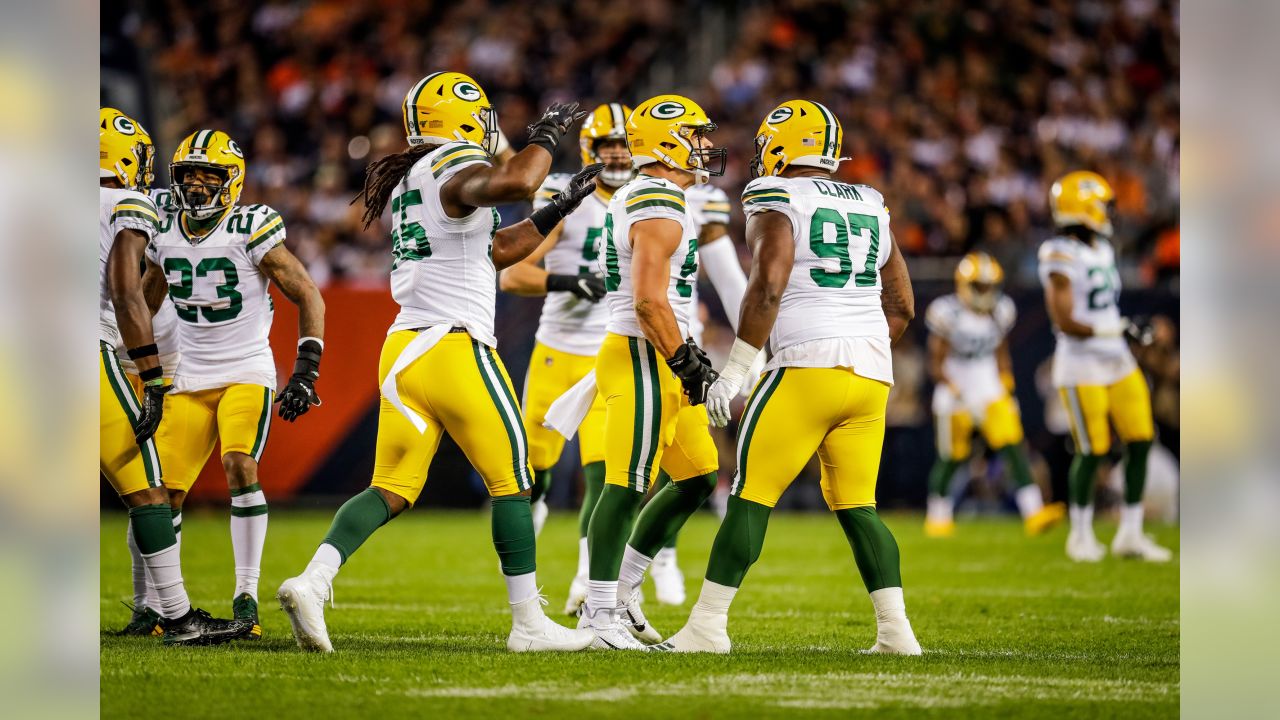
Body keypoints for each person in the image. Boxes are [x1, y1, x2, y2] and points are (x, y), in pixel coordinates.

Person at [275, 71, 602, 653]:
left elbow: (496, 251)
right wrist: (547, 136)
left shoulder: (414, 178)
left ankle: (312, 580)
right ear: (464, 120)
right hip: (454, 347)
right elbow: (519, 178)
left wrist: (558, 210)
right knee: (515, 480)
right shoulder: (452, 165)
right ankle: (529, 625)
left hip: (403, 351)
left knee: (392, 488)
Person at [661, 100, 921, 655]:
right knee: (859, 507)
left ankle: (707, 627)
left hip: (805, 367)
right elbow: (901, 304)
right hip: (872, 375)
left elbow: (767, 286)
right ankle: (897, 635)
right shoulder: (872, 203)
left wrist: (737, 369)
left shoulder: (775, 195)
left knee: (751, 498)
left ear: (782, 145)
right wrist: (861, 346)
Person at [142, 128, 327, 639]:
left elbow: (308, 293)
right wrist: (134, 363)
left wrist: (307, 368)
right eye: (188, 175)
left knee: (238, 463)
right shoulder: (164, 230)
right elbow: (145, 301)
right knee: (162, 495)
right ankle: (166, 607)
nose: (198, 185)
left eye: (209, 175)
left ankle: (246, 597)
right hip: (188, 376)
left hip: (246, 368)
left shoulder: (250, 227)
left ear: (233, 181)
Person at [575, 94, 725, 650]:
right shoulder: (658, 200)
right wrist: (683, 357)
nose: (706, 145)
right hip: (643, 350)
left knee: (696, 477)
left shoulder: (664, 198)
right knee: (627, 483)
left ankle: (625, 591)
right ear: (668, 141)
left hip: (658, 349)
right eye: (696, 134)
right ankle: (595, 613)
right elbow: (647, 302)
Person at [98, 108, 251, 645]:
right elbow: (126, 290)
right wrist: (151, 374)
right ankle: (178, 616)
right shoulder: (130, 202)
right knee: (149, 491)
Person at [498, 104, 629, 615]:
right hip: (557, 351)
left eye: (624, 146)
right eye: (607, 146)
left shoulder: (648, 203)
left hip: (608, 356)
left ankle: (584, 581)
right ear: (589, 151)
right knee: (536, 468)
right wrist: (566, 279)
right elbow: (512, 274)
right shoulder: (567, 198)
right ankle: (525, 576)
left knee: (601, 473)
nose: (617, 155)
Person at [1038, 171, 1171, 563]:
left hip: (1116, 359)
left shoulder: (1102, 248)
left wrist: (1125, 330)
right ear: (1084, 207)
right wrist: (1122, 327)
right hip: (1081, 365)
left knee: (1141, 438)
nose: (1108, 212)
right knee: (1092, 449)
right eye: (1102, 204)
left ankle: (1130, 533)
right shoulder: (1058, 252)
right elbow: (1064, 321)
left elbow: (1102, 310)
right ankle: (1079, 535)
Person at [923, 252, 1065, 537]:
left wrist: (1005, 381)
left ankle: (1034, 512)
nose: (985, 293)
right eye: (979, 286)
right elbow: (936, 362)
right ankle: (937, 517)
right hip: (957, 391)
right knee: (952, 457)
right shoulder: (947, 313)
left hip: (988, 388)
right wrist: (953, 389)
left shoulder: (1001, 310)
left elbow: (1001, 350)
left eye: (989, 286)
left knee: (1013, 447)